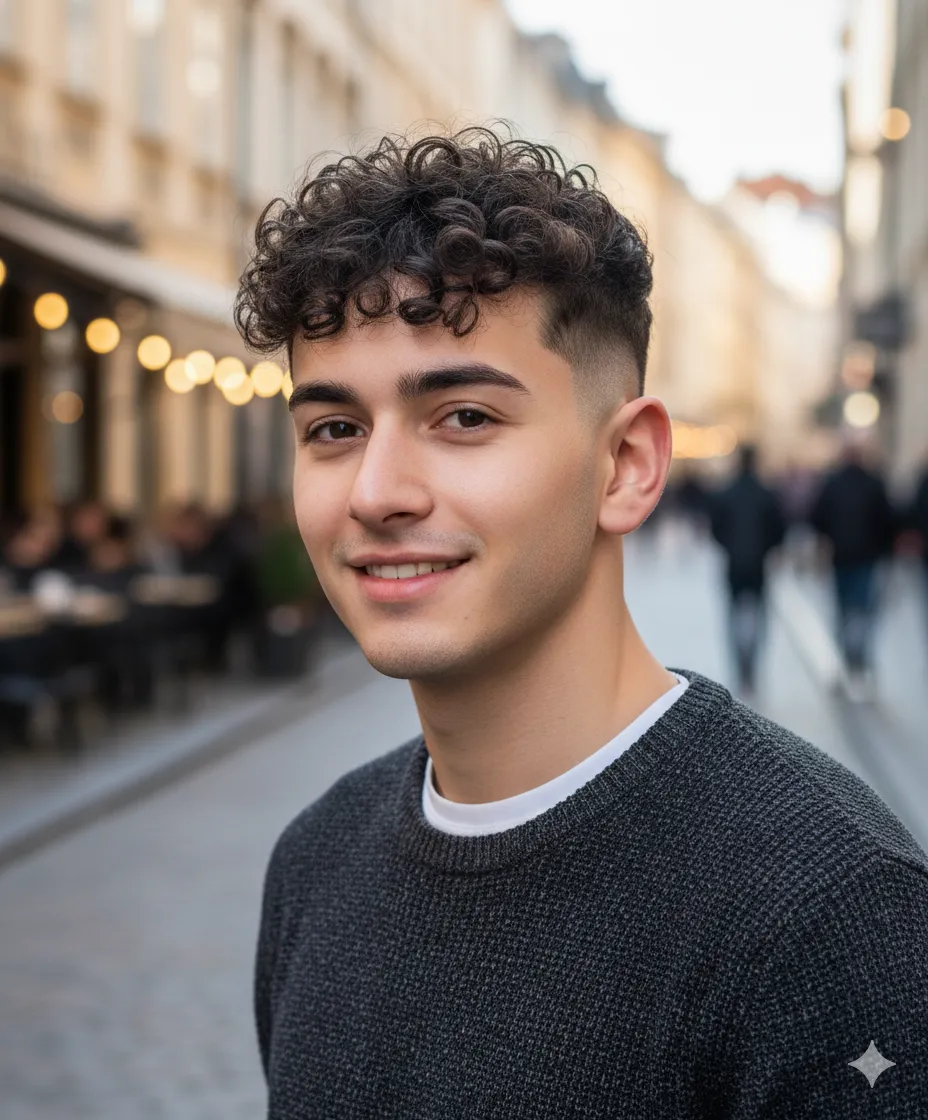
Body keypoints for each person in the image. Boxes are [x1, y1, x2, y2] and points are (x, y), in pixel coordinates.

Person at [236, 128, 928, 1117]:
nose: (376, 492)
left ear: (627, 466)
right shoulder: (316, 860)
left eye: (464, 417)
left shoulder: (829, 911)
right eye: (334, 429)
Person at [810, 435, 897, 698]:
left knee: (844, 611)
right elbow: (888, 520)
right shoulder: (874, 482)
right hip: (865, 558)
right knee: (862, 611)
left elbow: (817, 517)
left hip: (841, 557)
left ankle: (847, 661)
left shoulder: (833, 482)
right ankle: (859, 661)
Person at [708, 444, 787, 694]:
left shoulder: (726, 493)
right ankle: (751, 665)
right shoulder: (766, 494)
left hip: (734, 564)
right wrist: (766, 548)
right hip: (758, 565)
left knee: (734, 616)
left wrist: (730, 546)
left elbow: (716, 528)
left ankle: (740, 666)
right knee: (758, 617)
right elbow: (779, 529)